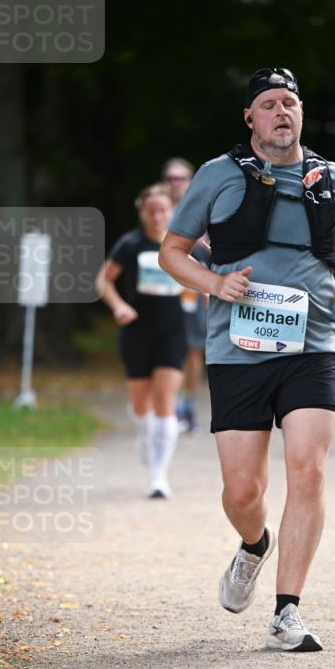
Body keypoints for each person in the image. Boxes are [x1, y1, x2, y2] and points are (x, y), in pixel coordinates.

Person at [158, 67, 335, 651]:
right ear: (250, 118)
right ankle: (254, 545)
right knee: (244, 491)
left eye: (291, 103)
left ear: (302, 114)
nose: (283, 112)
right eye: (270, 104)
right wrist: (213, 285)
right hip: (237, 348)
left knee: (309, 469)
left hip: (314, 342)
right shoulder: (217, 176)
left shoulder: (334, 180)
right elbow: (171, 254)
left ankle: (287, 611)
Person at [96, 183, 193, 498]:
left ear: (172, 212)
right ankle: (144, 432)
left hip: (173, 332)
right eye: (151, 211)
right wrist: (119, 305)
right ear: (142, 213)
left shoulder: (181, 246)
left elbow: (203, 277)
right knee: (141, 407)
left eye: (163, 210)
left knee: (165, 398)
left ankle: (158, 475)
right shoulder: (130, 244)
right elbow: (104, 280)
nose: (157, 216)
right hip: (136, 332)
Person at [162, 156, 207, 433]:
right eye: (170, 178)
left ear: (189, 182)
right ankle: (172, 405)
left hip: (193, 292)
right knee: (168, 349)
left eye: (180, 178)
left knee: (192, 350)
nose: (175, 183)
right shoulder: (159, 208)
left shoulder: (201, 208)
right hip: (164, 291)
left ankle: (188, 404)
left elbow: (208, 253)